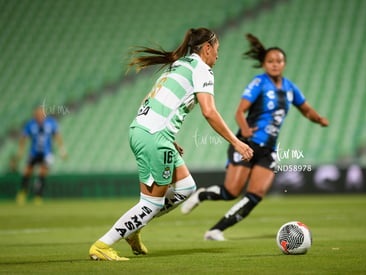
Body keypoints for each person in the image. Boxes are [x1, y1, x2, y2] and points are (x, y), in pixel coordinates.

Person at [88, 27, 254, 261]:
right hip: (155, 136)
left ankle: (133, 229)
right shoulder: (202, 70)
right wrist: (236, 142)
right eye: (217, 49)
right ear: (207, 48)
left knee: (185, 187)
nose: (218, 55)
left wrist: (168, 137)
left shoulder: (180, 64)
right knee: (151, 204)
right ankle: (103, 244)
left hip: (142, 129)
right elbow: (209, 112)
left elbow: (149, 99)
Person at [181, 33, 329, 241]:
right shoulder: (259, 82)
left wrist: (319, 119)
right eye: (271, 61)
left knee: (255, 194)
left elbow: (306, 110)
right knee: (231, 192)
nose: (275, 64)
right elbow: (240, 111)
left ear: (284, 64)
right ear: (264, 64)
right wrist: (245, 130)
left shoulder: (289, 88)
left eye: (279, 61)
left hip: (268, 149)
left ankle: (216, 230)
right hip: (247, 143)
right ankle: (202, 194)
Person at [14, 106, 67, 205]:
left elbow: (57, 136)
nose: (39, 115)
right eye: (37, 113)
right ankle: (23, 193)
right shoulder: (30, 124)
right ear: (35, 114)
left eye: (41, 113)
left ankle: (38, 196)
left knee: (42, 173)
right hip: (33, 153)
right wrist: (20, 151)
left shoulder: (51, 123)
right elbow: (23, 138)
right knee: (27, 172)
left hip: (47, 153)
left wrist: (62, 150)